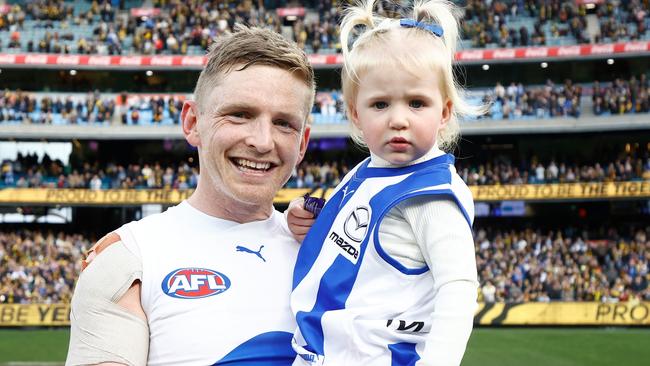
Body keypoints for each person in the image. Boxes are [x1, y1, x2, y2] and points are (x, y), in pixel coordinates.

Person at [66, 25, 315, 366]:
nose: (262, 141)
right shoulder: (128, 260)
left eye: (284, 123)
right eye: (240, 114)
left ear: (302, 144)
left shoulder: (332, 252)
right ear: (192, 122)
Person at [287, 0, 485, 364]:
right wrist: (309, 222)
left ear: (444, 112)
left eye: (416, 103)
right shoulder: (365, 171)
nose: (398, 119)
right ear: (355, 113)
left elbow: (458, 289)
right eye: (380, 104)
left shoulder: (430, 198)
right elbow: (351, 239)